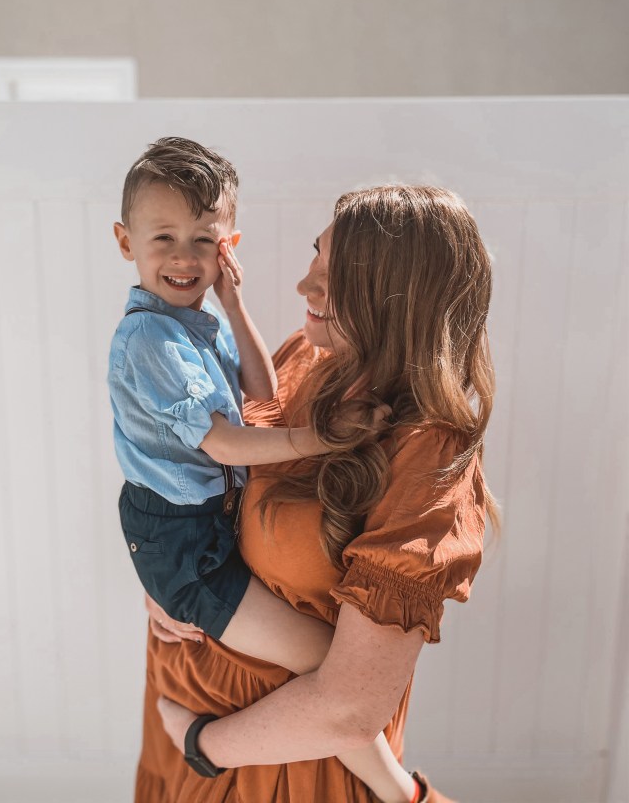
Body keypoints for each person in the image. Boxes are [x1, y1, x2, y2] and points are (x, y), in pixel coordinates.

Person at [139, 183, 498, 803]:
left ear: (403, 298)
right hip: (181, 715)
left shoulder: (431, 455)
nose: (305, 286)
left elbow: (349, 709)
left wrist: (202, 743)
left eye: (340, 278)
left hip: (275, 766)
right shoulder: (305, 356)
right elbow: (203, 484)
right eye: (317, 256)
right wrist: (167, 582)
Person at [108, 138, 424, 802]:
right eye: (163, 238)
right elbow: (226, 445)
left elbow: (261, 393)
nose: (184, 257)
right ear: (125, 241)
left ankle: (392, 788)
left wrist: (233, 303)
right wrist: (319, 440)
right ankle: (398, 790)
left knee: (328, 664)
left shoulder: (200, 323)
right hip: (182, 536)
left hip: (195, 532)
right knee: (322, 658)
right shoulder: (151, 339)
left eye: (203, 240)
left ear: (228, 248)